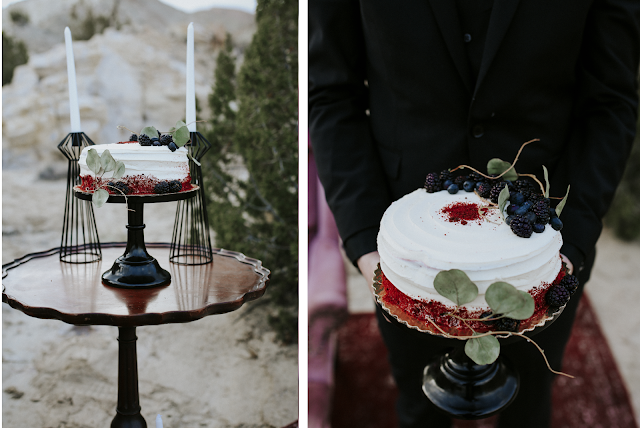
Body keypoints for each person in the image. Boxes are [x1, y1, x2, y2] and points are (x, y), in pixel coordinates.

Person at [309, 2, 640, 427]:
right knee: (419, 406)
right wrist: (366, 237)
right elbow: (331, 92)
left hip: (541, 253)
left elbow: (610, 102)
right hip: (406, 253)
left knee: (528, 405)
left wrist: (568, 243)